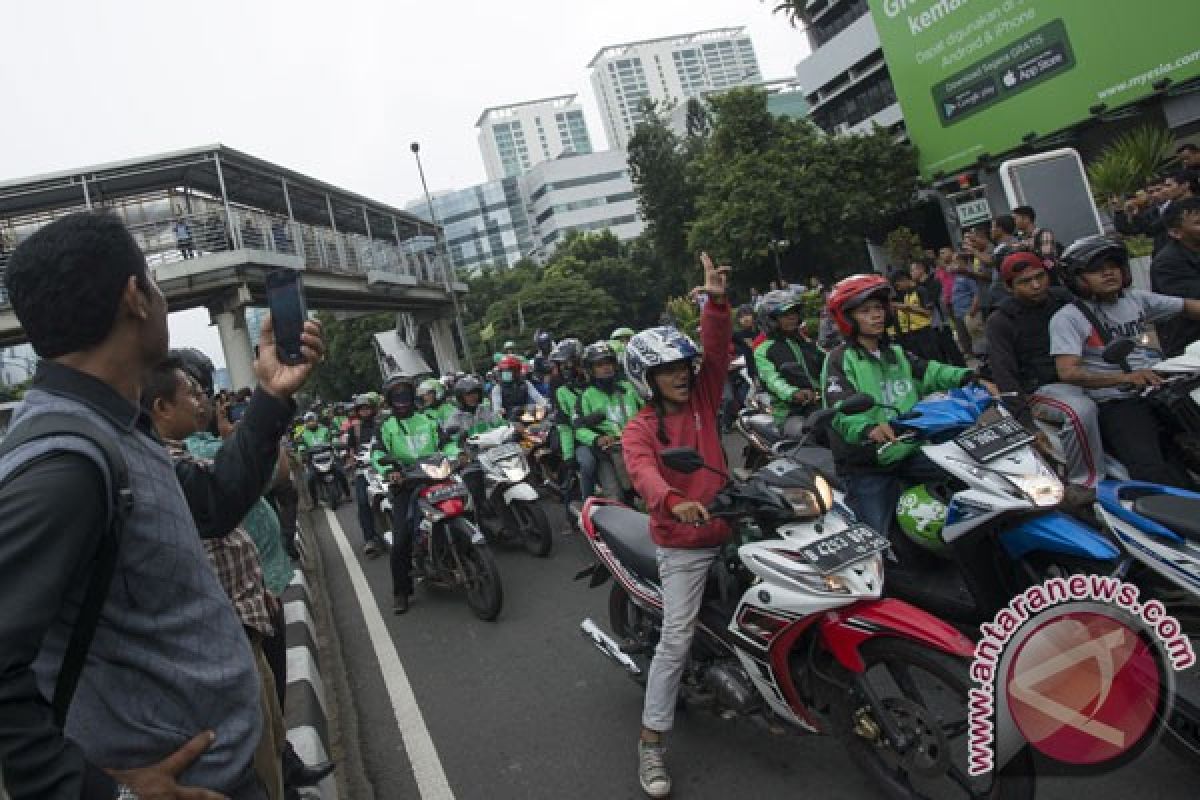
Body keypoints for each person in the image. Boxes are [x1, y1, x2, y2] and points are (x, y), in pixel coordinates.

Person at [0, 210, 322, 799]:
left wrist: (274, 395)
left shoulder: (115, 425)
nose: (160, 295)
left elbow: (214, 506)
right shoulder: (64, 463)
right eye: (153, 280)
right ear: (134, 298)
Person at [144, 359, 287, 800]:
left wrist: (254, 591)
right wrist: (270, 398)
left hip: (243, 626)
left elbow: (224, 536)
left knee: (274, 753)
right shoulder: (160, 472)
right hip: (220, 649)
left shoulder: (183, 458)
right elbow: (223, 504)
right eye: (190, 391)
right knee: (259, 770)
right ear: (161, 407)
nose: (201, 399)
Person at [621, 252, 731, 800]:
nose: (681, 375)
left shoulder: (704, 396)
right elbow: (641, 473)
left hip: (731, 526)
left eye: (682, 367)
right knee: (676, 639)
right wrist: (672, 500)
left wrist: (714, 301)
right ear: (646, 379)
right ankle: (650, 744)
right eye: (667, 370)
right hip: (683, 543)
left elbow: (717, 350)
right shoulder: (640, 428)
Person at [821, 274, 984, 544]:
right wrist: (868, 428)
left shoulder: (895, 352)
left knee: (969, 479)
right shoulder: (839, 359)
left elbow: (931, 372)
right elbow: (840, 408)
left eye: (878, 308)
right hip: (868, 464)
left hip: (909, 448)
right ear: (847, 318)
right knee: (875, 540)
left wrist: (970, 377)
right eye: (865, 311)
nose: (876, 316)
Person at [1051, 235, 1200, 488]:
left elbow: (1187, 306)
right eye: (1097, 270)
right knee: (1152, 470)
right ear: (1077, 279)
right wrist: (1125, 378)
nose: (1109, 273)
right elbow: (1067, 372)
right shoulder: (1068, 318)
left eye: (1113, 266)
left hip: (1156, 389)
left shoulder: (1135, 300)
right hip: (1117, 401)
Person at [985, 252, 1106, 487]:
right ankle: (1086, 483)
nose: (1036, 285)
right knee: (1080, 411)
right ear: (1010, 287)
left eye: (1040, 276)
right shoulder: (1001, 321)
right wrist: (1027, 425)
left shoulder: (1064, 300)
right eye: (1025, 282)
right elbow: (1005, 375)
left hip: (1083, 373)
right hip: (1041, 389)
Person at [371, 373, 454, 614]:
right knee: (401, 541)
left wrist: (456, 453)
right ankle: (401, 591)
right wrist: (389, 471)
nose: (402, 398)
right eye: (396, 394)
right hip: (406, 485)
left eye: (405, 392)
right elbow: (377, 454)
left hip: (436, 476)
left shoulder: (428, 418)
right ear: (389, 398)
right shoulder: (385, 426)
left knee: (466, 507)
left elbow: (446, 442)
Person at [753, 289, 825, 437]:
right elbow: (772, 379)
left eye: (794, 313)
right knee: (810, 434)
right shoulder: (764, 350)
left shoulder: (806, 342)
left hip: (822, 404)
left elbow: (829, 364)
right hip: (790, 413)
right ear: (771, 319)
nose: (792, 317)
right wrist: (793, 393)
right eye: (786, 315)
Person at [576, 341, 643, 500]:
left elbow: (648, 411)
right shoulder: (586, 397)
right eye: (599, 365)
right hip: (607, 454)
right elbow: (579, 429)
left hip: (638, 446)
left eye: (609, 363)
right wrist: (597, 439)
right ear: (590, 370)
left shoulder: (629, 388)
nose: (606, 368)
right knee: (615, 496)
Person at [1152, 197, 1200, 357]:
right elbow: (1192, 305)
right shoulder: (1167, 263)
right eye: (1198, 223)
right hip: (1189, 348)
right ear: (1175, 232)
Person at [547, 338, 595, 500]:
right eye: (561, 365)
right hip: (579, 439)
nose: (565, 368)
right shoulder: (560, 388)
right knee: (587, 464)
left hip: (608, 435)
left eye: (568, 363)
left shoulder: (595, 381)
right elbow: (564, 425)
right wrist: (569, 457)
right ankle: (588, 503)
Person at [346, 393, 388, 557]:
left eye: (367, 408)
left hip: (384, 468)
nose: (365, 411)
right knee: (363, 502)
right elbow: (350, 451)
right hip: (364, 471)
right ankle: (370, 539)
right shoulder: (354, 429)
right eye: (361, 409)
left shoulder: (383, 425)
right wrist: (352, 461)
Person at [296, 410, 345, 507]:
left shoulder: (325, 430)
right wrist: (302, 452)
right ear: (306, 423)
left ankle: (347, 494)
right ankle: (314, 502)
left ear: (316, 420)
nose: (311, 422)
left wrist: (335, 443)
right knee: (310, 479)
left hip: (329, 456)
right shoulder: (304, 434)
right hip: (313, 460)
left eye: (312, 420)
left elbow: (333, 437)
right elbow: (301, 445)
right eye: (308, 421)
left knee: (340, 472)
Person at [1012, 205, 1062, 280]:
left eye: (1015, 218)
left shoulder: (1044, 234)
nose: (1013, 222)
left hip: (1050, 278)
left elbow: (1048, 260)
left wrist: (1027, 248)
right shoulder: (1021, 238)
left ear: (1026, 219)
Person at [949, 251, 980, 357]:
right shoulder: (956, 275)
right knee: (963, 337)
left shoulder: (968, 275)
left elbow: (976, 293)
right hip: (958, 312)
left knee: (976, 338)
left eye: (955, 261)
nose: (953, 264)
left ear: (962, 261)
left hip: (968, 311)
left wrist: (973, 310)